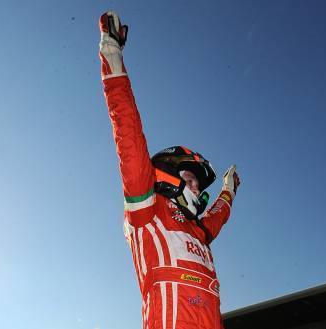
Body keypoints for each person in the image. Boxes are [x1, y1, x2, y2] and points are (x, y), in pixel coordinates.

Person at [98, 11, 240, 329]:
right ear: (168, 174)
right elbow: (128, 133)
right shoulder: (147, 209)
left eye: (199, 186)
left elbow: (217, 214)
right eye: (191, 178)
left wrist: (229, 190)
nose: (196, 189)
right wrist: (111, 53)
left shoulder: (200, 232)